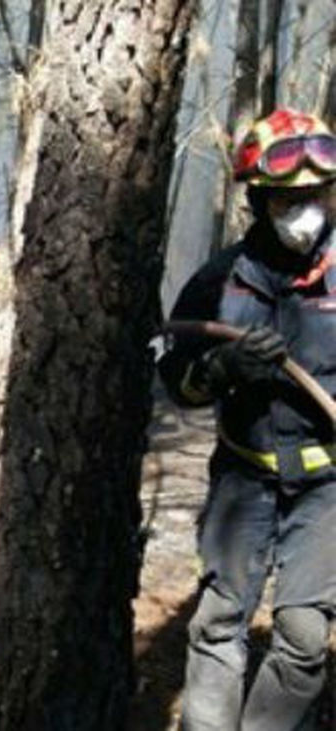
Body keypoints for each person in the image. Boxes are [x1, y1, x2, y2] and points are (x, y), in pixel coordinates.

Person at [158, 108, 336, 730]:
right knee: (219, 622)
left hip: (327, 491)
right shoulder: (219, 281)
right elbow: (177, 382)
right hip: (244, 478)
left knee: (304, 636)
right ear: (258, 200)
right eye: (287, 198)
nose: (304, 210)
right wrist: (222, 367)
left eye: (315, 195)